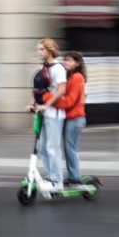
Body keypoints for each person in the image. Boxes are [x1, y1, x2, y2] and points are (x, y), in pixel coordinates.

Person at [25, 38, 67, 193]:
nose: (39, 52)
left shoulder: (58, 68)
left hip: (54, 113)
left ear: (50, 50)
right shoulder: (41, 67)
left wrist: (46, 105)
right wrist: (31, 104)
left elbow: (61, 91)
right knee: (43, 148)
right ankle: (50, 178)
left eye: (41, 49)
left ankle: (57, 181)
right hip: (42, 113)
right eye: (38, 49)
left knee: (52, 147)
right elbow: (36, 90)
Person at [39, 50, 86, 186]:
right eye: (65, 60)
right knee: (65, 147)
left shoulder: (77, 77)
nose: (66, 62)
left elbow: (69, 101)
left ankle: (74, 177)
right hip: (68, 117)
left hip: (75, 118)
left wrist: (48, 98)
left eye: (70, 60)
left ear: (77, 63)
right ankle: (71, 176)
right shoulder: (69, 76)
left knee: (69, 148)